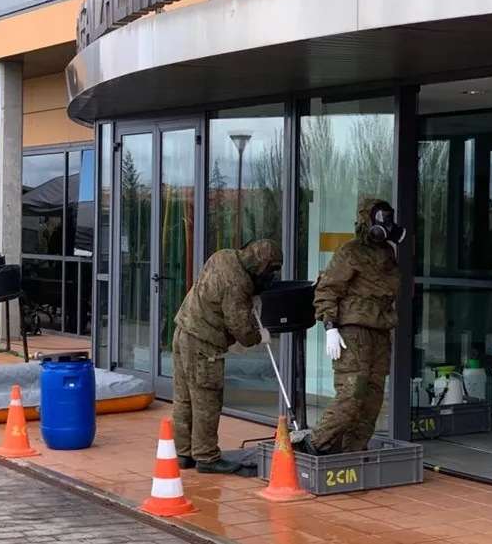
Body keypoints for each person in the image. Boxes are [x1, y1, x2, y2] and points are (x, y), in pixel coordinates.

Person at [302, 198, 405, 456]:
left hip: (379, 331)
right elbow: (327, 290)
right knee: (352, 392)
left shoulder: (387, 253)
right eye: (380, 218)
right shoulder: (350, 252)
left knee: (372, 398)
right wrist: (330, 327)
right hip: (353, 331)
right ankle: (315, 444)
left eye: (388, 218)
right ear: (367, 220)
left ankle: (353, 453)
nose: (386, 224)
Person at [172, 239, 283, 474]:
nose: (270, 278)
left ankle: (184, 453)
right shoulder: (238, 282)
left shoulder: (224, 255)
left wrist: (250, 295)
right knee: (206, 400)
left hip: (183, 330)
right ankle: (206, 457)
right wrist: (259, 335)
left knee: (185, 398)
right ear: (260, 266)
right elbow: (241, 329)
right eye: (270, 272)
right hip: (204, 342)